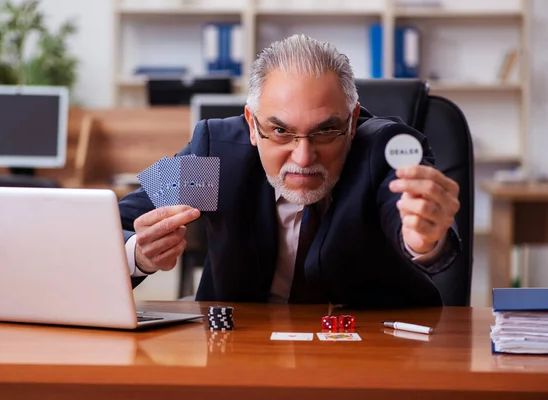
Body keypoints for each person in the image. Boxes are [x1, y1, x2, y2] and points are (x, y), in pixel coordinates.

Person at [119, 34, 461, 308]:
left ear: (353, 122)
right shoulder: (218, 157)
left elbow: (410, 224)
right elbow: (117, 224)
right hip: (242, 356)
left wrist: (423, 240)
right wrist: (139, 254)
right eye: (281, 131)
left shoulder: (383, 149)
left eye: (325, 131)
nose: (303, 156)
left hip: (373, 355)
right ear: (252, 125)